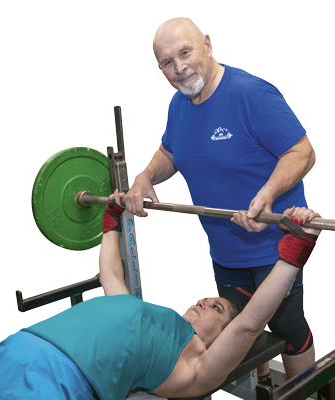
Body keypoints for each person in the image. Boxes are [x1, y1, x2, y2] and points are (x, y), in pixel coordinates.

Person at [0, 191, 321, 400]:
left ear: (218, 336)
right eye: (209, 297)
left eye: (215, 307)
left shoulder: (195, 365)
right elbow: (108, 272)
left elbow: (249, 324)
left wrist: (293, 253)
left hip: (57, 382)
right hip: (13, 349)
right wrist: (111, 219)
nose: (202, 301)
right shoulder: (139, 308)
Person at [123, 18, 316, 386]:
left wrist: (268, 194)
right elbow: (170, 150)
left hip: (276, 247)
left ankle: (303, 394)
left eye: (185, 53)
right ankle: (263, 386)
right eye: (167, 62)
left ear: (207, 45)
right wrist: (145, 176)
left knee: (287, 325)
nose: (179, 68)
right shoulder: (179, 105)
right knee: (237, 329)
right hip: (226, 252)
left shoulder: (251, 94)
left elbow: (303, 152)